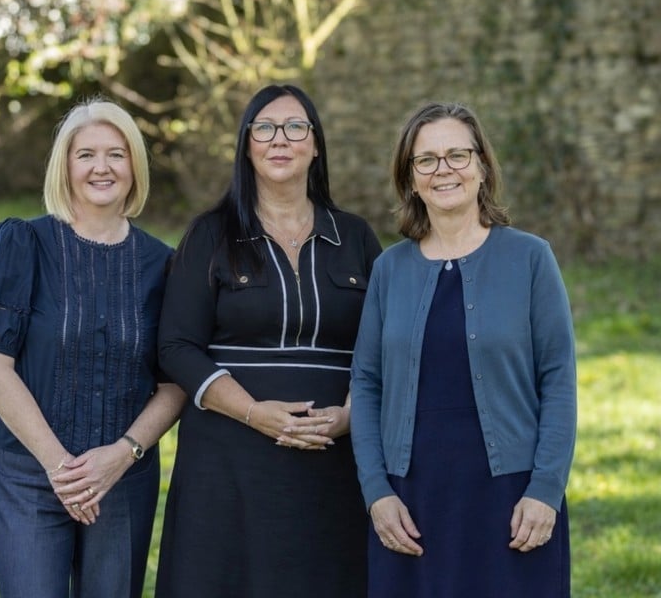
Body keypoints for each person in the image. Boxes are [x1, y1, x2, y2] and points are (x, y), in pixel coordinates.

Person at [154, 84, 382, 598]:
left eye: (296, 127)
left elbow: (383, 346)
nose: (281, 139)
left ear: (316, 145)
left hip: (335, 464)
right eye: (265, 128)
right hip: (228, 465)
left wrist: (351, 416)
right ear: (247, 144)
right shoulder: (209, 235)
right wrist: (255, 413)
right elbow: (176, 347)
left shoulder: (356, 237)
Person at [350, 102, 577, 597]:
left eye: (458, 155)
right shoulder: (389, 270)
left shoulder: (531, 258)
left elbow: (558, 378)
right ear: (411, 180)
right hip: (411, 502)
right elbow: (365, 384)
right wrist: (377, 493)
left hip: (512, 498)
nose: (444, 169)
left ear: (482, 167)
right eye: (426, 160)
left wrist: (545, 490)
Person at [0, 98, 186, 598]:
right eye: (86, 155)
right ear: (64, 166)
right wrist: (62, 469)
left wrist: (123, 454)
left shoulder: (164, 265)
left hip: (122, 477)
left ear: (135, 166)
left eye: (116, 154)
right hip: (28, 471)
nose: (101, 167)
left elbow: (175, 383)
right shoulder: (23, 244)